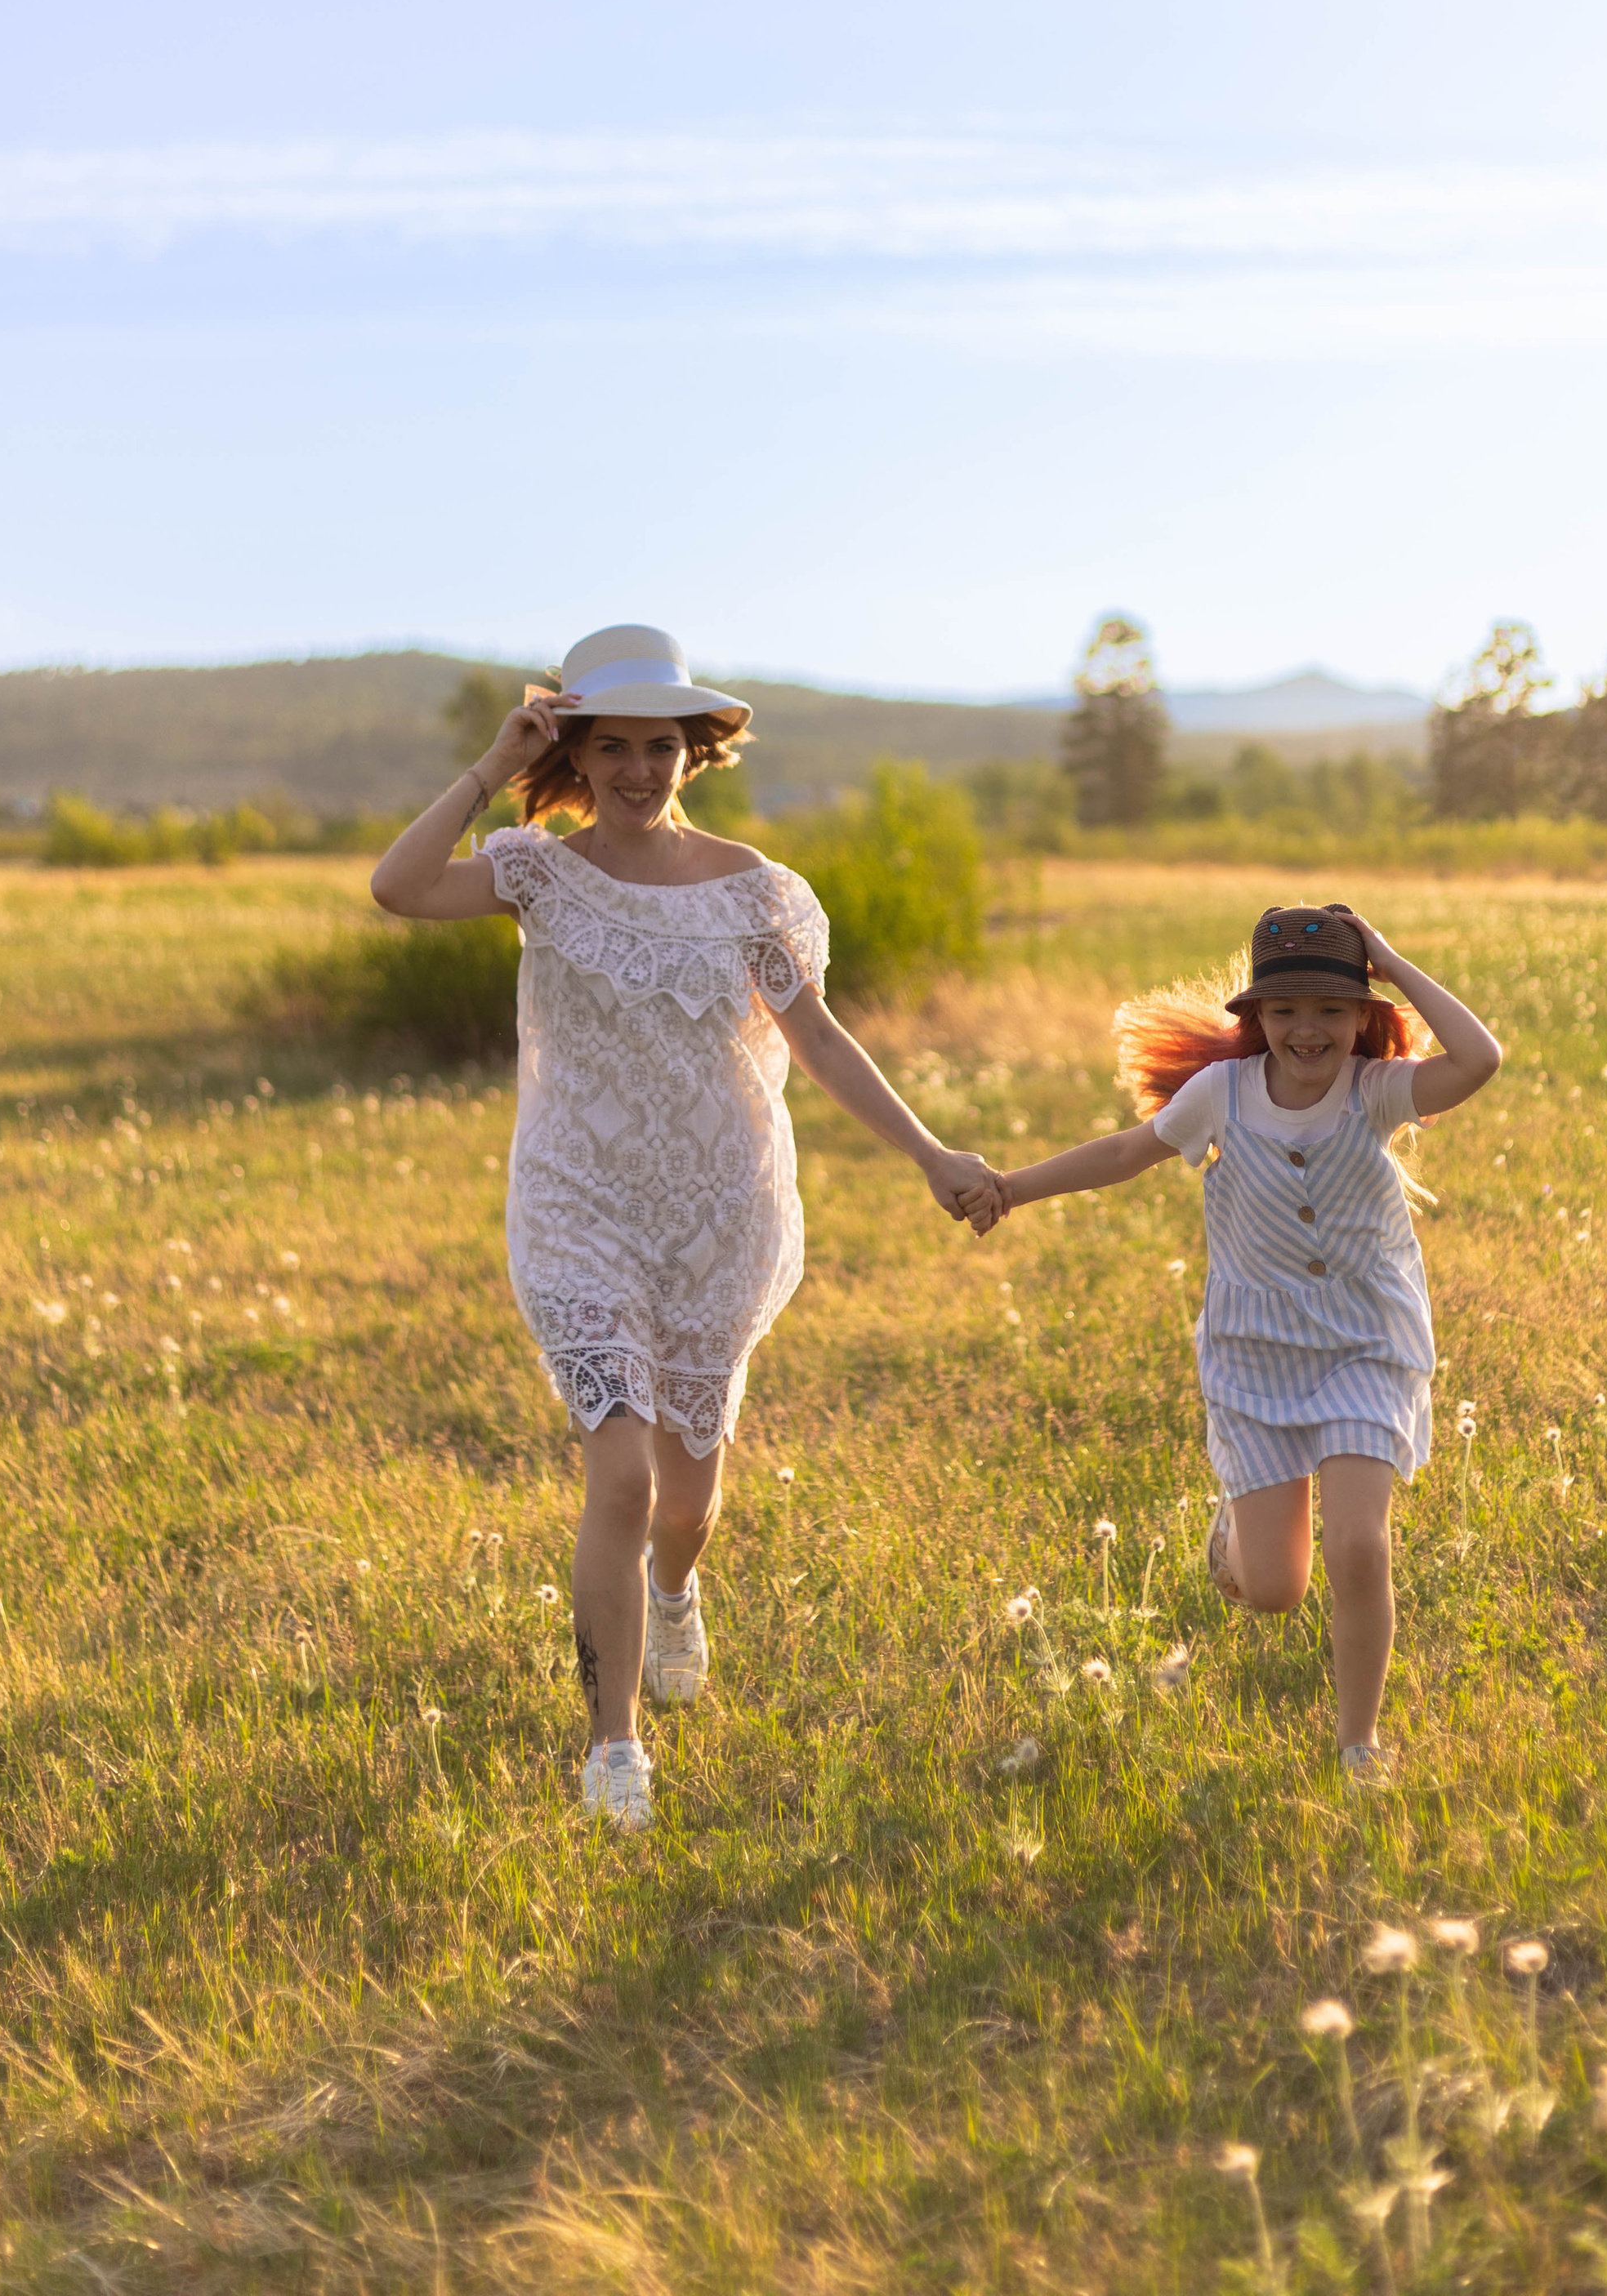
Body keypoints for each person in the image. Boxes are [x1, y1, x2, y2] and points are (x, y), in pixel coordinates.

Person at [370, 623, 997, 1828]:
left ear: (693, 754)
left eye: (662, 747)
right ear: (576, 750)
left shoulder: (754, 890)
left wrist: (929, 1154)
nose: (640, 770)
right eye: (614, 747)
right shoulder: (536, 870)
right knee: (616, 1473)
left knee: (687, 1500)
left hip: (721, 1209)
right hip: (577, 1205)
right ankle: (615, 1752)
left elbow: (817, 1041)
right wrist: (490, 768)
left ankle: (672, 1593)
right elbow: (397, 889)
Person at [973, 904, 1500, 1780]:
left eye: (1330, 1009)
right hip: (1254, 1357)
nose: (1307, 1029)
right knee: (1274, 1590)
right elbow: (1119, 1156)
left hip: (1365, 1346)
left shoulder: (1376, 1091)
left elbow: (1479, 1060)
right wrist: (1009, 1189)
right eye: (1284, 1010)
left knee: (1359, 1548)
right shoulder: (1220, 1095)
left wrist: (1394, 962)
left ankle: (1358, 1744)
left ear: (1361, 1017)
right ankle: (1233, 1542)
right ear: (1254, 1018)